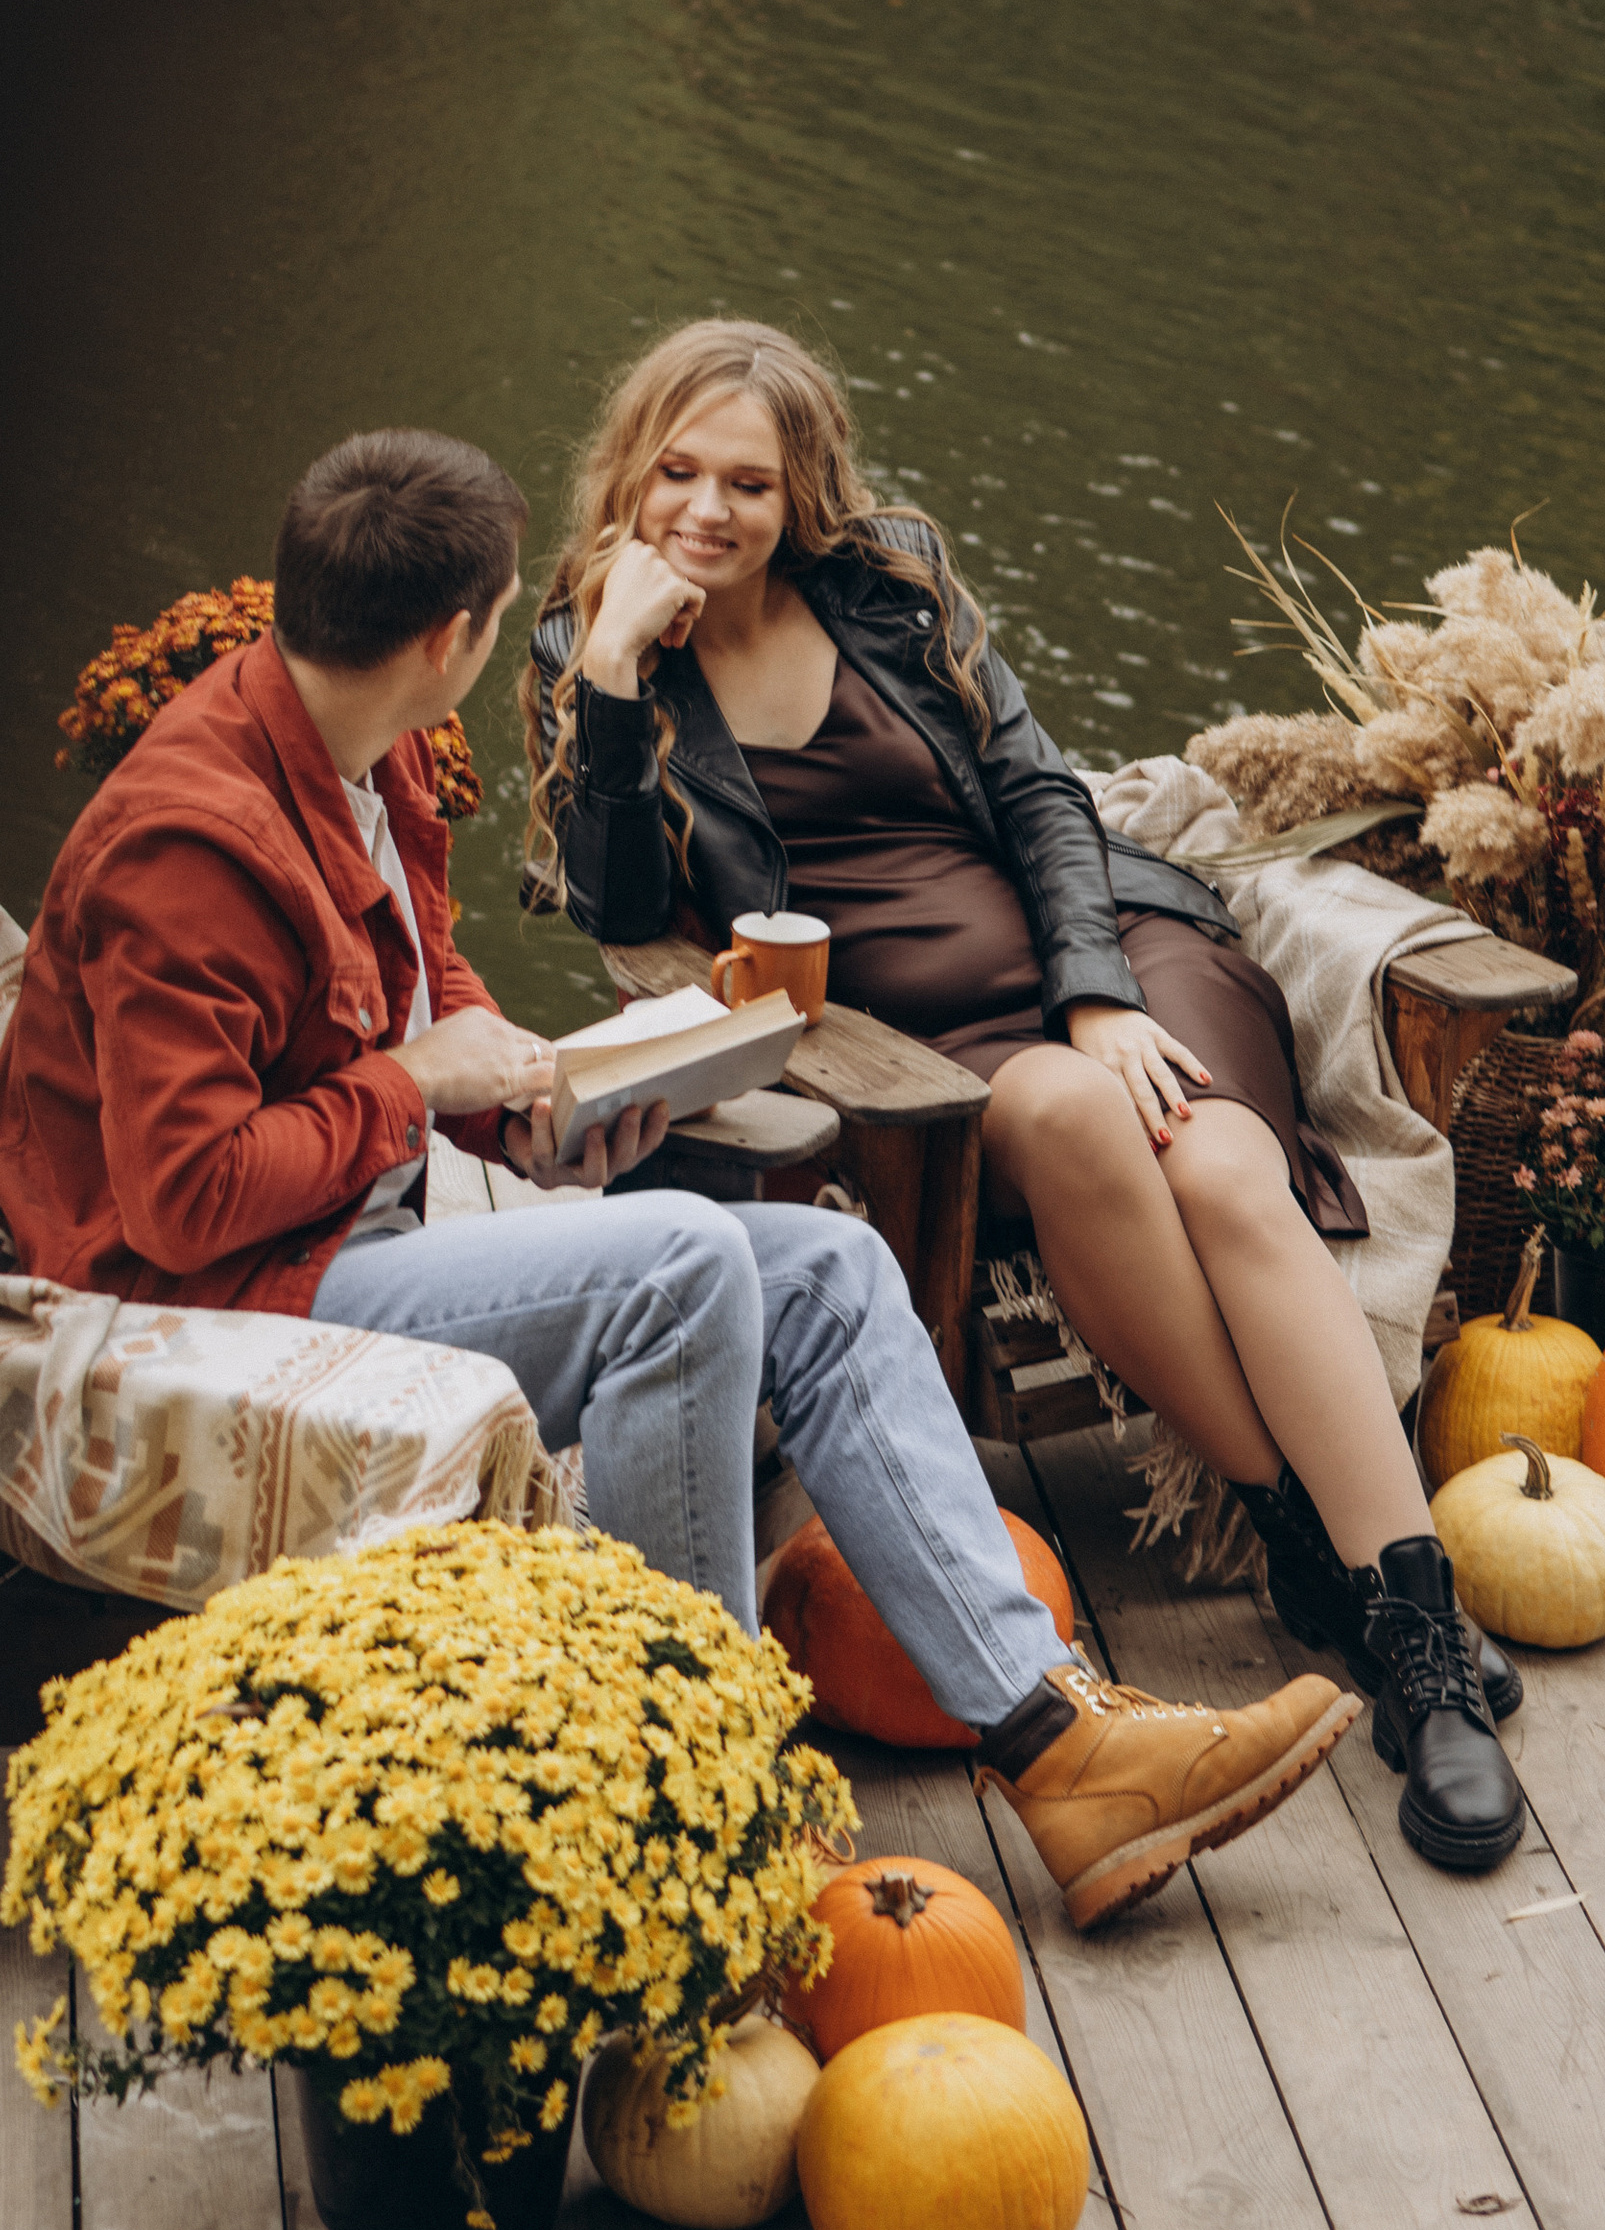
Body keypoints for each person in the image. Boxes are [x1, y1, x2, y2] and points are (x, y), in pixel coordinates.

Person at [0, 423, 1358, 1934]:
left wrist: (543, 1112)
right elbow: (184, 1202)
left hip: (341, 1230)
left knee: (831, 1271)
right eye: (506, 617)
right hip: (211, 1296)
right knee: (683, 1265)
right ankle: (704, 1798)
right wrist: (410, 1090)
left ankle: (1060, 1743)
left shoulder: (357, 759)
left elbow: (435, 1009)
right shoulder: (190, 840)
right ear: (452, 637)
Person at [522, 318, 1519, 1875]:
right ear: (631, 470)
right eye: (679, 475)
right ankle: (1343, 1560)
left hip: (1107, 957)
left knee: (1221, 1174)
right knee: (1058, 1117)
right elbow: (617, 904)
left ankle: (1415, 1636)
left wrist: (1101, 996)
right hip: (920, 1058)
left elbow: (1043, 795)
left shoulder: (894, 583)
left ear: (806, 499)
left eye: (751, 486)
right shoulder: (590, 651)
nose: (709, 514)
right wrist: (607, 675)